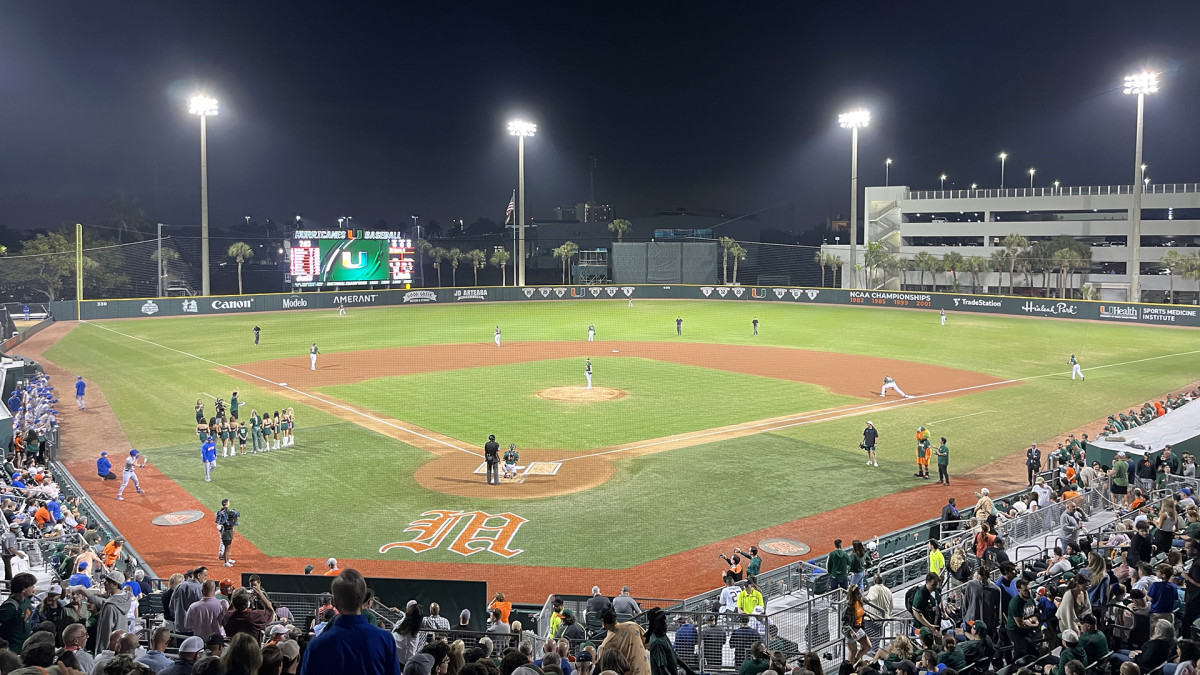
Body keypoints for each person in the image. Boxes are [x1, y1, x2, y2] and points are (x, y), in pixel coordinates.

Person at [0, 572, 37, 648]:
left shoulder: (27, 600)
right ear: (23, 589)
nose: (34, 587)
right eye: (31, 586)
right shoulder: (9, 607)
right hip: (12, 649)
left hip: (24, 646)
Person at [216, 499, 239, 567]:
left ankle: (227, 559)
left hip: (226, 531)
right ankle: (226, 562)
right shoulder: (227, 512)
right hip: (226, 531)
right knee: (227, 547)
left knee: (227, 547)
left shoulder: (221, 511)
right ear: (227, 503)